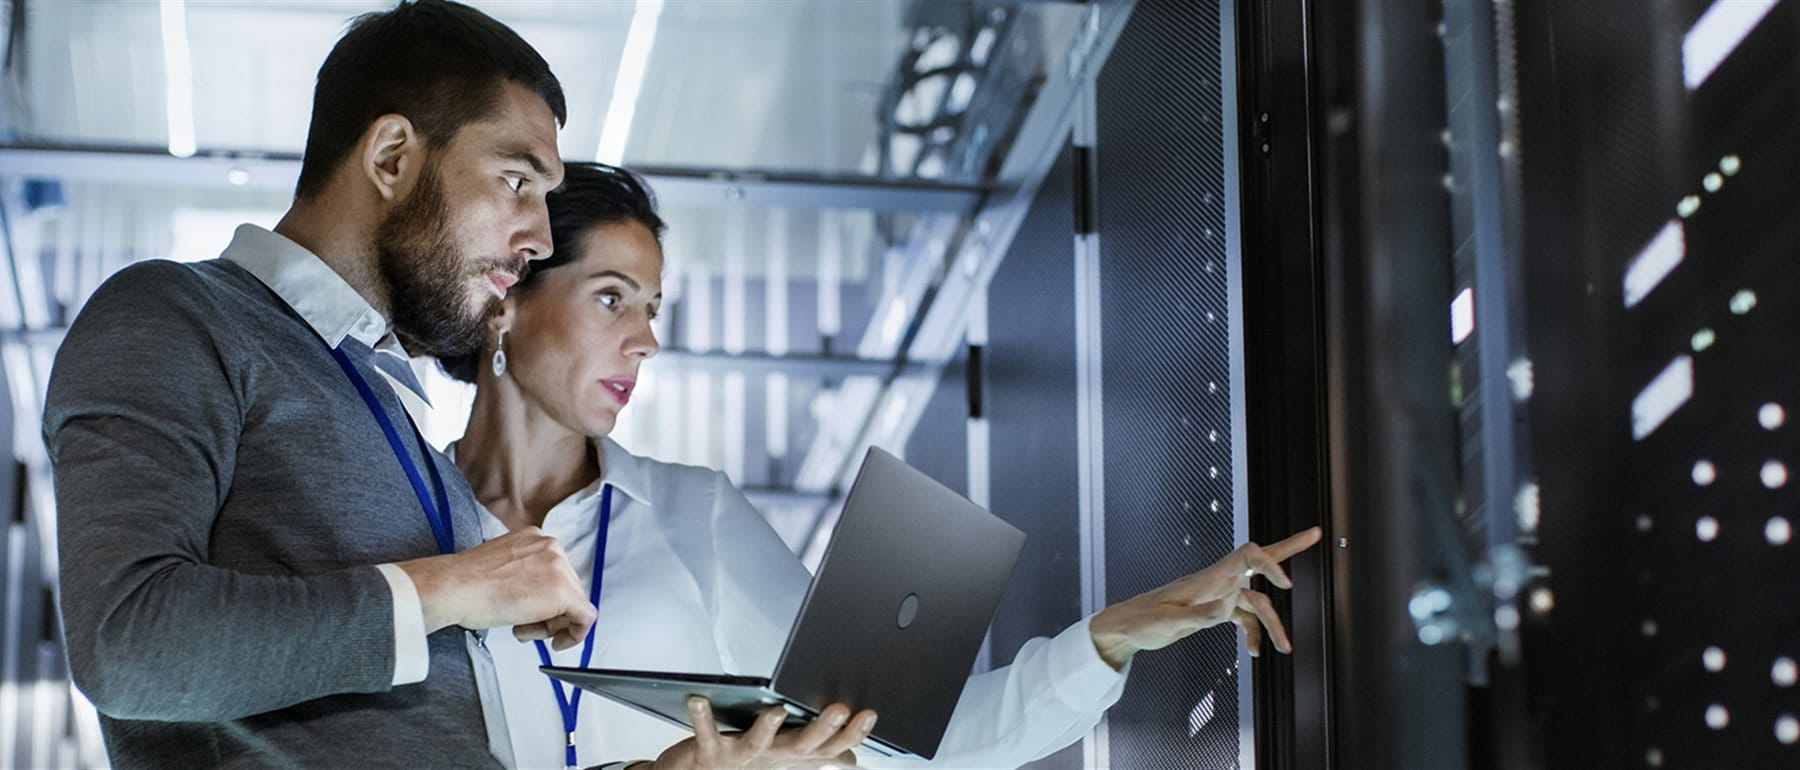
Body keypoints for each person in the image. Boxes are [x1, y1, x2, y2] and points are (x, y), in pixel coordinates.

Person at [441, 162, 1324, 769]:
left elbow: (899, 744)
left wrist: (1117, 634)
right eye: (611, 298)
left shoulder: (689, 513)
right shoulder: (405, 526)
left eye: (653, 307)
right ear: (507, 300)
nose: (647, 338)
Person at [42, 2, 615, 766]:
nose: (541, 238)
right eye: (516, 180)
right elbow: (129, 644)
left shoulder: (390, 406)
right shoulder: (176, 314)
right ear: (389, 157)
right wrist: (447, 588)